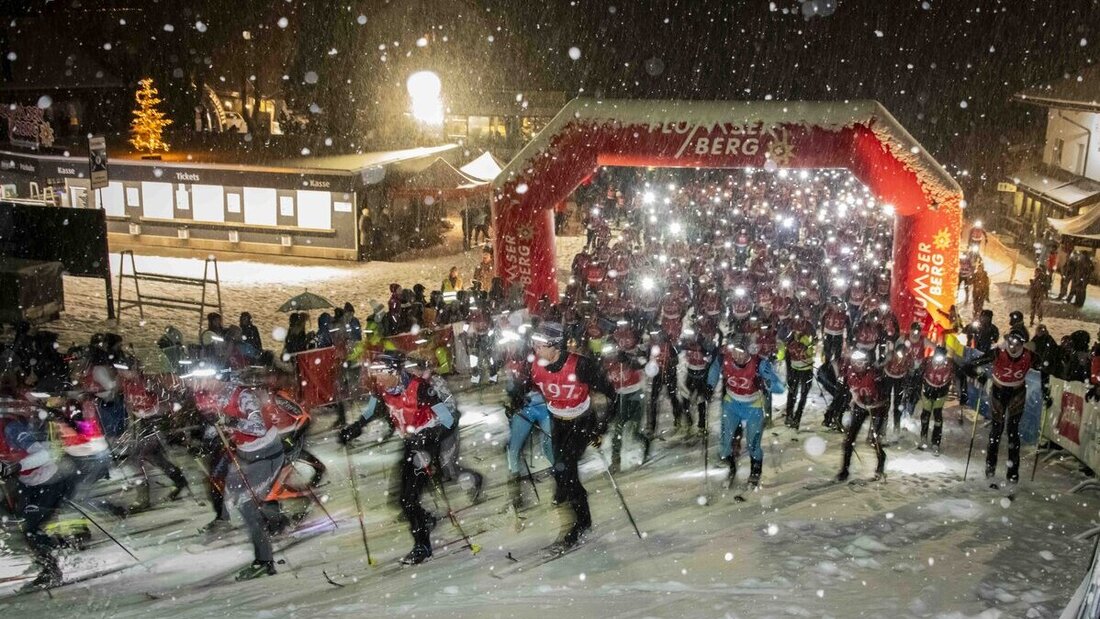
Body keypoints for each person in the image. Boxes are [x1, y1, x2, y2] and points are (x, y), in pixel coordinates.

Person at [339, 353, 453, 564]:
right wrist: (354, 428)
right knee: (402, 499)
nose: (377, 378)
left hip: (427, 444)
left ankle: (423, 546)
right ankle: (425, 519)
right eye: (375, 373)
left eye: (381, 373)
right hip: (411, 443)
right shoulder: (382, 389)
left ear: (394, 371)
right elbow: (370, 412)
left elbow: (448, 420)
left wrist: (426, 436)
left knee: (408, 499)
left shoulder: (420, 388)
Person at [528, 322, 618, 551]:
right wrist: (517, 400)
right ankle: (572, 500)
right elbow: (527, 386)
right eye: (534, 345)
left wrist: (600, 428)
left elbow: (612, 396)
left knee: (566, 469)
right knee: (560, 470)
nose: (535, 350)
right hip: (558, 422)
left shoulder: (581, 366)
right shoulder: (537, 365)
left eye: (540, 346)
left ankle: (580, 522)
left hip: (581, 421)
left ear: (556, 346)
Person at [1, 385, 75, 589]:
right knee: (23, 527)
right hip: (28, 484)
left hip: (49, 480)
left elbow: (44, 455)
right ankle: (48, 556)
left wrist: (16, 466)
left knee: (31, 528)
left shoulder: (10, 429)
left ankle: (53, 568)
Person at [223, 376, 287, 580]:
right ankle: (277, 519)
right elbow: (216, 425)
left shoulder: (243, 396)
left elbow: (258, 428)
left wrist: (231, 422)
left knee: (246, 504)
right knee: (232, 491)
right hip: (245, 454)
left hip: (266, 453)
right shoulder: (215, 396)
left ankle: (265, 562)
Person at [706, 336, 783, 488]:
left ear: (749, 352)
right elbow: (714, 369)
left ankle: (755, 471)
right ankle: (731, 467)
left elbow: (780, 387)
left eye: (742, 352)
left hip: (753, 406)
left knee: (753, 444)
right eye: (735, 352)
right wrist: (709, 385)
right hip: (732, 404)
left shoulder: (759, 364)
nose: (738, 356)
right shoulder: (725, 359)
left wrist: (765, 382)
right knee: (725, 444)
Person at [968, 328, 1035, 485]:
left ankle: (1012, 475)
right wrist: (981, 377)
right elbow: (969, 366)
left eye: (1017, 344)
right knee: (996, 431)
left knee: (1012, 432)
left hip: (1017, 393)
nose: (1013, 347)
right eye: (1010, 342)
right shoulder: (998, 353)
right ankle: (990, 469)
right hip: (998, 392)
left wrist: (1046, 390)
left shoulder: (1029, 356)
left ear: (1023, 345)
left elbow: (1046, 369)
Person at [604, 323, 651, 472]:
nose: (610, 353)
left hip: (636, 394)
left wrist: (629, 361)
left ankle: (646, 445)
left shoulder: (626, 357)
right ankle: (615, 459)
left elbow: (642, 366)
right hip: (621, 396)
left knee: (635, 430)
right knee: (618, 428)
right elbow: (606, 380)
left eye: (613, 349)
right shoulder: (606, 363)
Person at [835, 350, 888, 482]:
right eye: (855, 363)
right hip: (860, 406)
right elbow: (846, 390)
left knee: (873, 440)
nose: (858, 366)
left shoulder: (874, 374)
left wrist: (875, 401)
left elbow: (885, 394)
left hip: (877, 408)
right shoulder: (850, 373)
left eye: (861, 363)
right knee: (849, 439)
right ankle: (844, 470)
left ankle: (880, 462)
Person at [917, 347, 954, 454]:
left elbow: (961, 373)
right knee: (925, 415)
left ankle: (936, 442)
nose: (939, 360)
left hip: (941, 393)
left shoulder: (950, 364)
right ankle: (923, 438)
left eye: (942, 357)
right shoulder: (927, 361)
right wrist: (915, 385)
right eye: (937, 356)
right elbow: (919, 373)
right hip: (927, 391)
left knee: (937, 416)